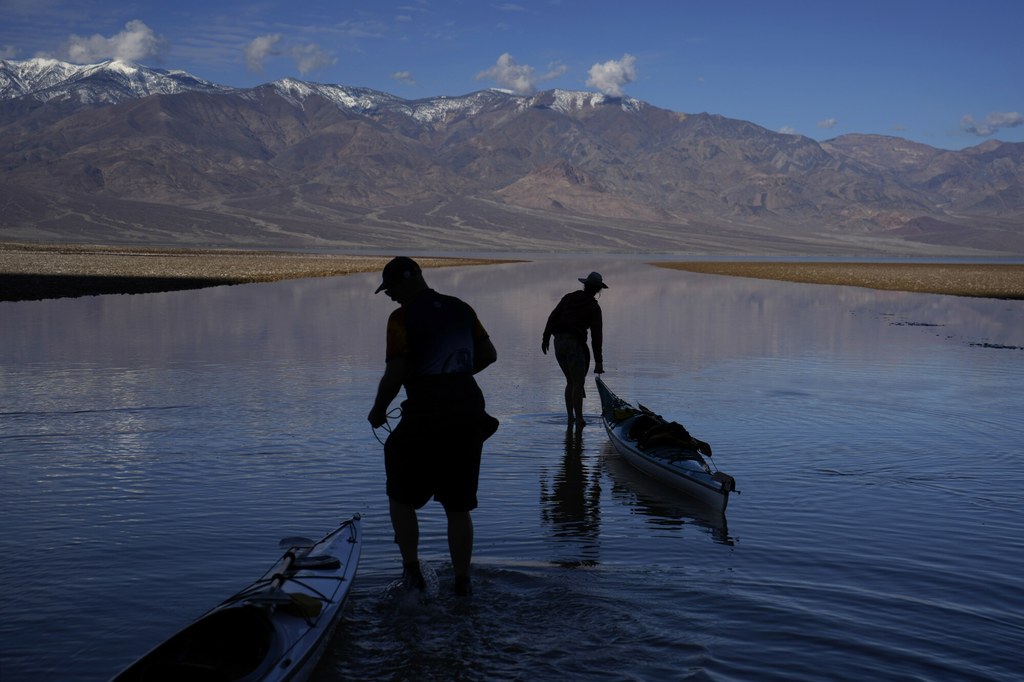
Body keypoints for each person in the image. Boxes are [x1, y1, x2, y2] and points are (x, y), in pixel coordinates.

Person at [368, 257, 498, 596]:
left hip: (427, 407)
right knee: (458, 504)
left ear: (404, 282)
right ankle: (462, 583)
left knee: (399, 485)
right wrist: (455, 372)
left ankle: (412, 571)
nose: (391, 296)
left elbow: (395, 373)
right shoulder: (461, 309)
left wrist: (378, 410)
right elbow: (488, 354)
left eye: (391, 289)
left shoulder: (401, 318)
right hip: (469, 406)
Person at [542, 271, 607, 428]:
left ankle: (571, 418)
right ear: (598, 290)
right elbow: (596, 336)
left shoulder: (569, 297)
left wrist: (545, 338)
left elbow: (553, 317)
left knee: (570, 382)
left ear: (585, 285)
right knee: (577, 383)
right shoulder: (593, 307)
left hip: (558, 342)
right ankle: (579, 419)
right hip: (574, 344)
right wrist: (599, 361)